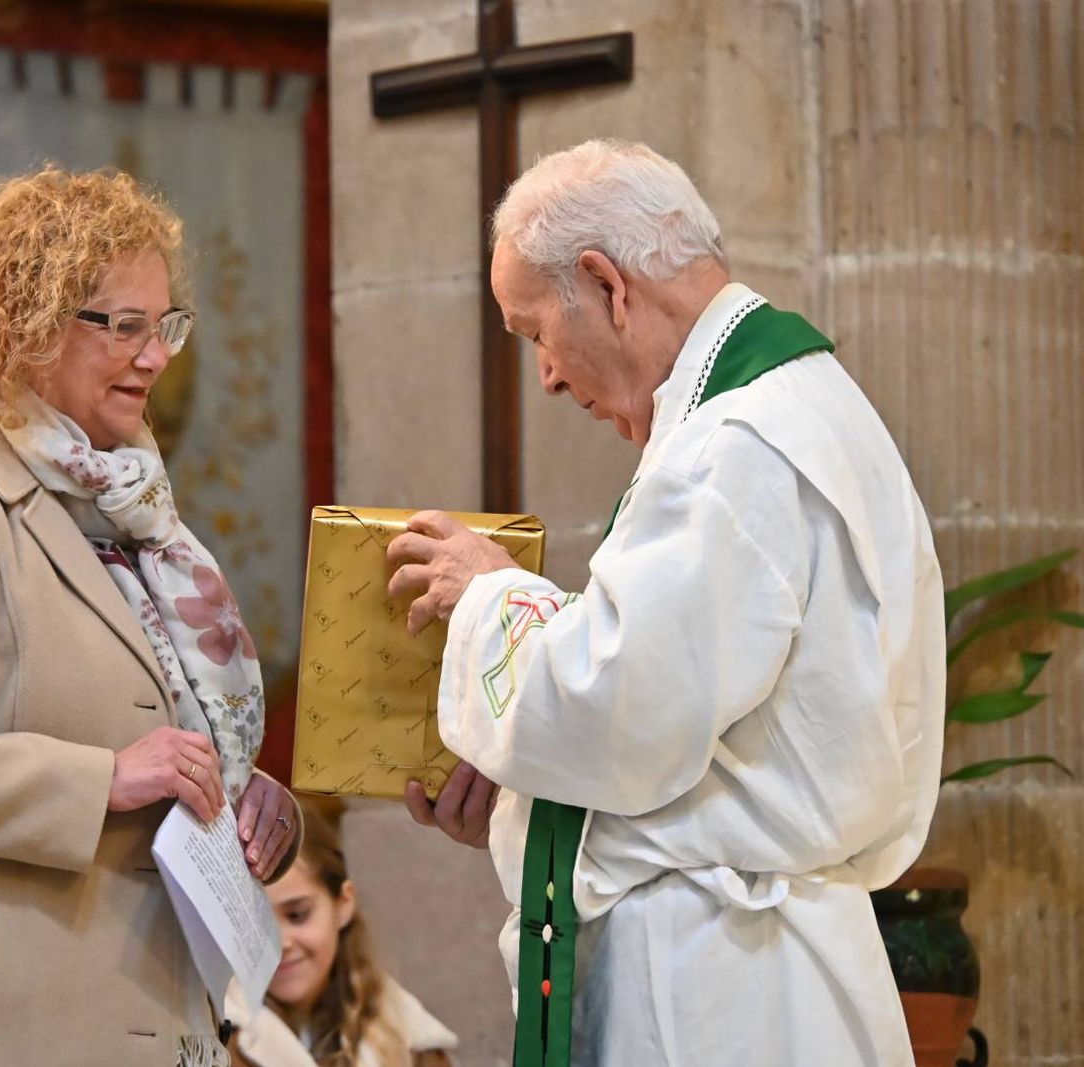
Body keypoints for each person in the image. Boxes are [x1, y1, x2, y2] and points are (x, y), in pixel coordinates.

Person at [386, 139, 944, 1066]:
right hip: (757, 959)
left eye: (535, 333)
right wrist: (523, 793)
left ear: (608, 285)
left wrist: (489, 591)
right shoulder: (797, 407)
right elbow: (699, 729)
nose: (549, 377)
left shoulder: (738, 445)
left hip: (720, 983)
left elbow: (614, 708)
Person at [0, 165, 301, 1067]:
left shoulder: (142, 520)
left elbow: (163, 737)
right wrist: (101, 778)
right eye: (125, 327)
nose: (156, 357)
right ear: (25, 325)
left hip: (147, 1004)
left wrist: (242, 794)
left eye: (166, 327)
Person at [224, 801, 457, 1067]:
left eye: (298, 915)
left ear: (343, 903)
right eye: (255, 925)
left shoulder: (412, 1039)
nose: (280, 944)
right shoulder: (213, 1037)